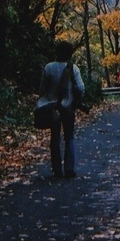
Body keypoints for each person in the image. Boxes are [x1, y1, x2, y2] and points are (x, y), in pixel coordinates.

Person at [37, 40, 86, 179]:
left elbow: (42, 89)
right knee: (69, 137)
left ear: (56, 51)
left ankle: (57, 169)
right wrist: (77, 100)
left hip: (52, 107)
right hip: (68, 107)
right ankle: (69, 169)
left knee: (55, 138)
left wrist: (45, 99)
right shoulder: (73, 68)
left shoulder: (48, 67)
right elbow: (81, 88)